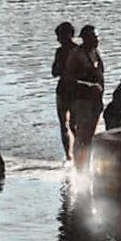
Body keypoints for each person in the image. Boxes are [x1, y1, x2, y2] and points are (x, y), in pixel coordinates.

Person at [65, 25, 106, 166]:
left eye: (97, 37)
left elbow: (101, 77)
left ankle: (87, 164)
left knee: (90, 136)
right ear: (85, 39)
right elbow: (68, 80)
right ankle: (79, 167)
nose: (97, 40)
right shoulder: (76, 54)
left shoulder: (96, 53)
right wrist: (89, 86)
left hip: (95, 101)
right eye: (94, 37)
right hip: (80, 100)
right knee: (82, 136)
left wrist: (101, 100)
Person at [51, 21, 79, 160]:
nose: (58, 39)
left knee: (73, 124)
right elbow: (54, 72)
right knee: (65, 124)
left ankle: (76, 154)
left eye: (60, 36)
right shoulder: (60, 51)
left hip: (74, 91)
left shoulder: (78, 51)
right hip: (64, 91)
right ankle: (69, 156)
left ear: (69, 35)